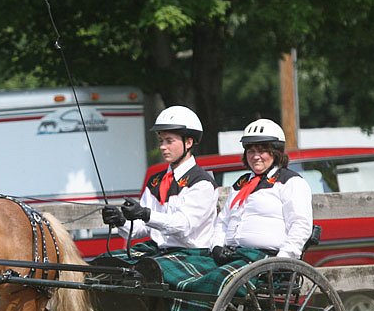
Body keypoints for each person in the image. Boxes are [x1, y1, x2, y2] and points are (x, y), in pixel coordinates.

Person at [102, 105, 218, 253]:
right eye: (161, 141)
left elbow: (183, 227)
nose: (163, 147)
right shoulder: (155, 181)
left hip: (190, 253)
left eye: (169, 141)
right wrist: (121, 221)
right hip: (158, 250)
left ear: (188, 142)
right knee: (107, 263)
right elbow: (141, 229)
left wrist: (146, 214)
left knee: (145, 272)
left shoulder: (202, 183)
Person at [211, 118, 313, 264]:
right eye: (251, 151)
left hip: (263, 261)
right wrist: (216, 247)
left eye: (262, 151)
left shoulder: (290, 182)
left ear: (276, 153)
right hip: (231, 255)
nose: (255, 156)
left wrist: (283, 259)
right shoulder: (241, 184)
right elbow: (222, 222)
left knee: (213, 283)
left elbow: (300, 225)